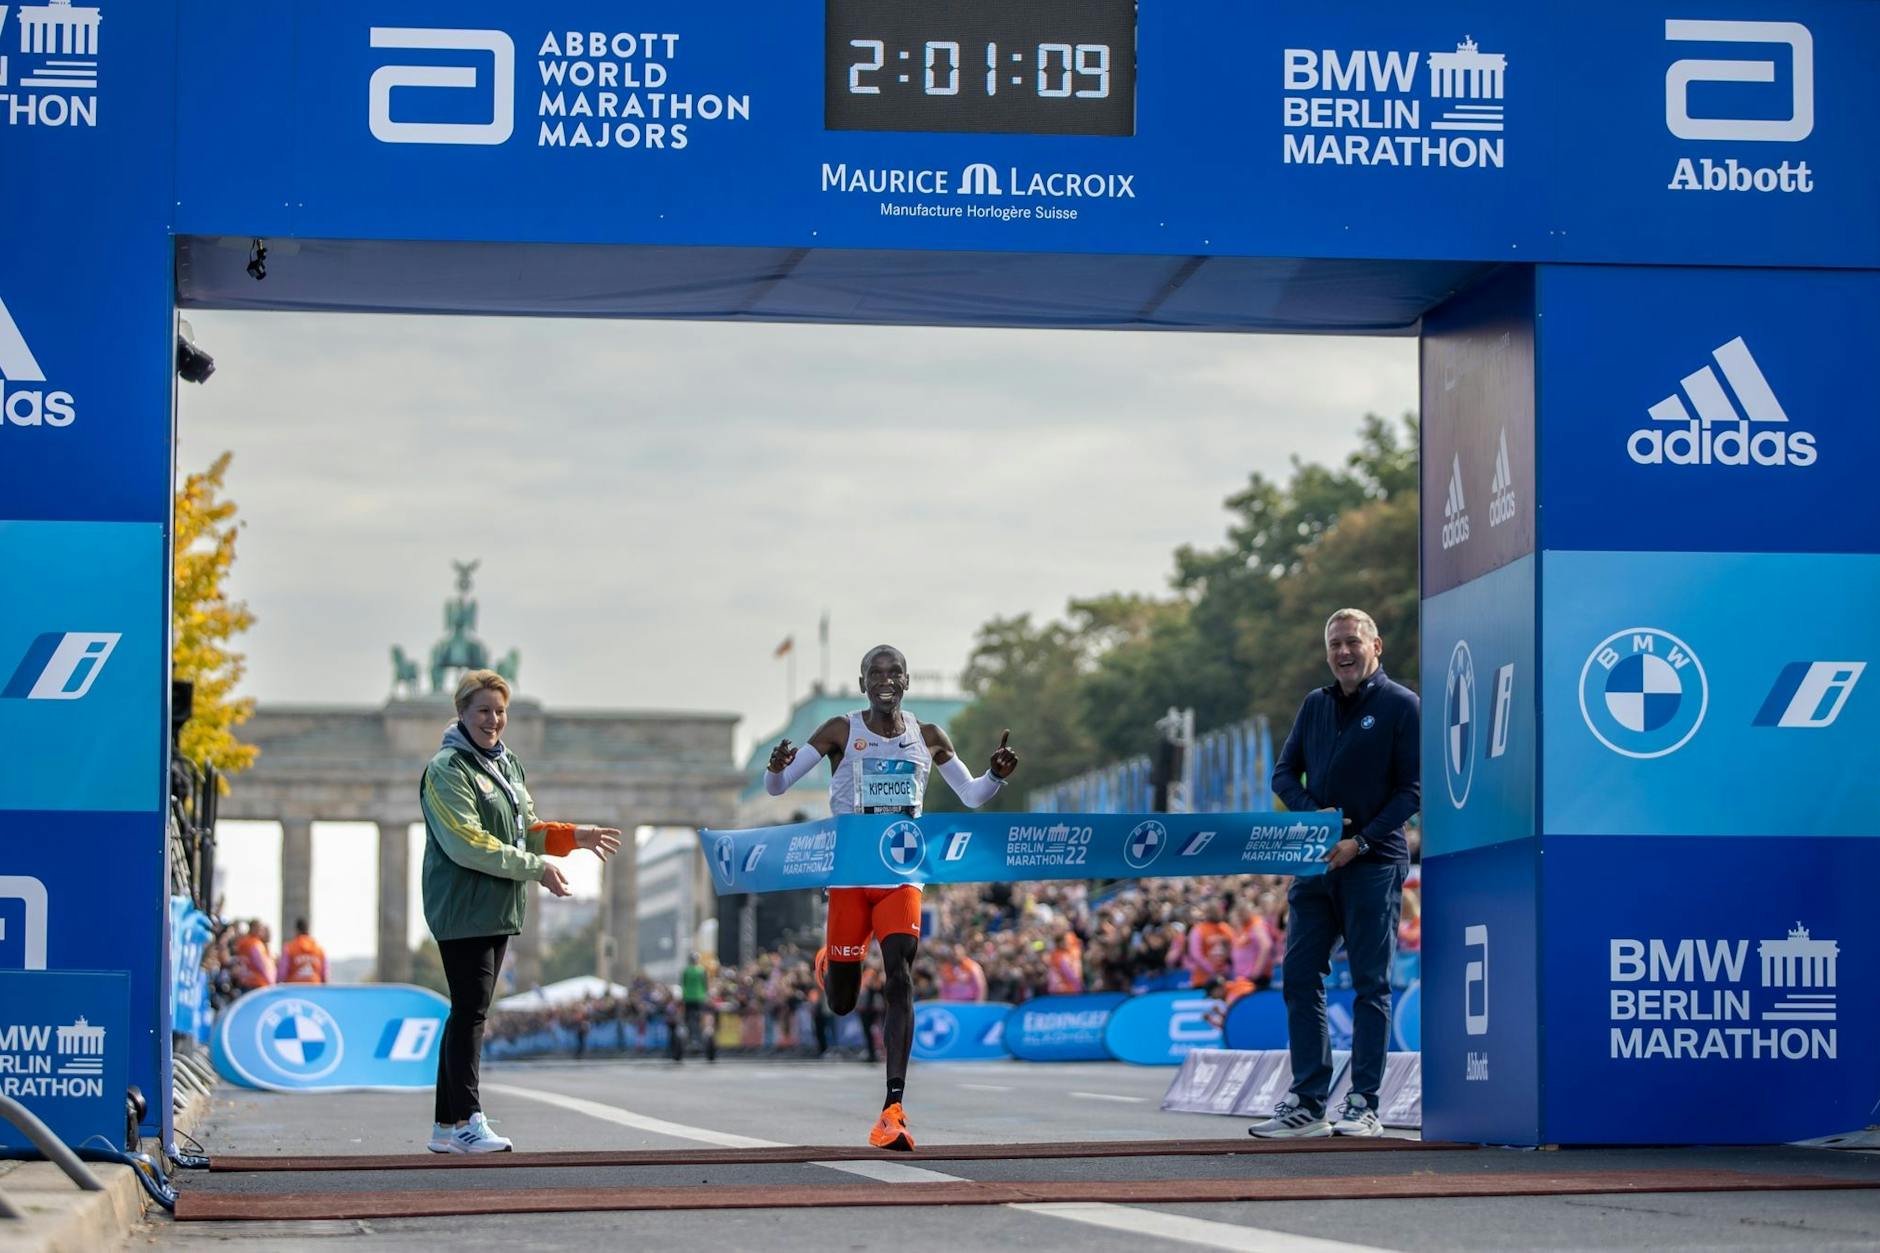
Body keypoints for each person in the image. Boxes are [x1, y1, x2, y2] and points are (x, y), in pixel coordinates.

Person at [764, 644, 1018, 1150]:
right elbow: (778, 787)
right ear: (863, 684)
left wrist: (994, 776)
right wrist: (776, 768)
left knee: (900, 975)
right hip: (850, 875)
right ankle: (831, 962)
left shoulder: (928, 736)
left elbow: (970, 795)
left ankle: (893, 1109)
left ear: (906, 682)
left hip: (902, 871)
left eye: (894, 673)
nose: (885, 680)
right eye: (875, 673)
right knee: (840, 1003)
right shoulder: (840, 730)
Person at [420, 669, 622, 1153]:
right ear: (462, 714)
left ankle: (446, 1127)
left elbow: (525, 828)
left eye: (500, 711)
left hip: (497, 905)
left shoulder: (506, 765)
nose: (494, 721)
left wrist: (574, 837)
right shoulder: (448, 769)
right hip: (463, 904)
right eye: (484, 711)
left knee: (468, 1012)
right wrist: (537, 869)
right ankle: (469, 1118)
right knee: (471, 1012)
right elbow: (469, 843)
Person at [1251, 608, 1418, 1140]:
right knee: (1300, 975)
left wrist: (1359, 840)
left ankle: (1364, 1102)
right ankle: (1307, 1101)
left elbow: (1413, 791)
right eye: (1334, 645)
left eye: (1351, 642)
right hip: (1315, 862)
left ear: (1376, 646)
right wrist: (1316, 819)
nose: (1342, 652)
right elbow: (1282, 772)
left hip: (1374, 861)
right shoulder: (1315, 704)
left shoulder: (1401, 705)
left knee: (1371, 984)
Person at [680, 952, 717, 1063]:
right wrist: (707, 995)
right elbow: (705, 985)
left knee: (689, 1018)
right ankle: (701, 1035)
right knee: (701, 1017)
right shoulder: (702, 970)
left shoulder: (686, 971)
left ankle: (692, 1037)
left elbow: (683, 984)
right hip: (700, 998)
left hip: (688, 998)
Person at [277, 917, 327, 984]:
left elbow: (281, 974)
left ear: (296, 930)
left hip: (294, 989)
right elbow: (324, 975)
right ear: (308, 929)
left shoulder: (289, 948)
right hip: (314, 989)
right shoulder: (319, 950)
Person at [231, 920, 275, 992]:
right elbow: (262, 966)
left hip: (244, 981)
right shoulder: (256, 944)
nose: (262, 932)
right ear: (254, 928)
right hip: (258, 983)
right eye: (260, 929)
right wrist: (271, 982)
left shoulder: (241, 943)